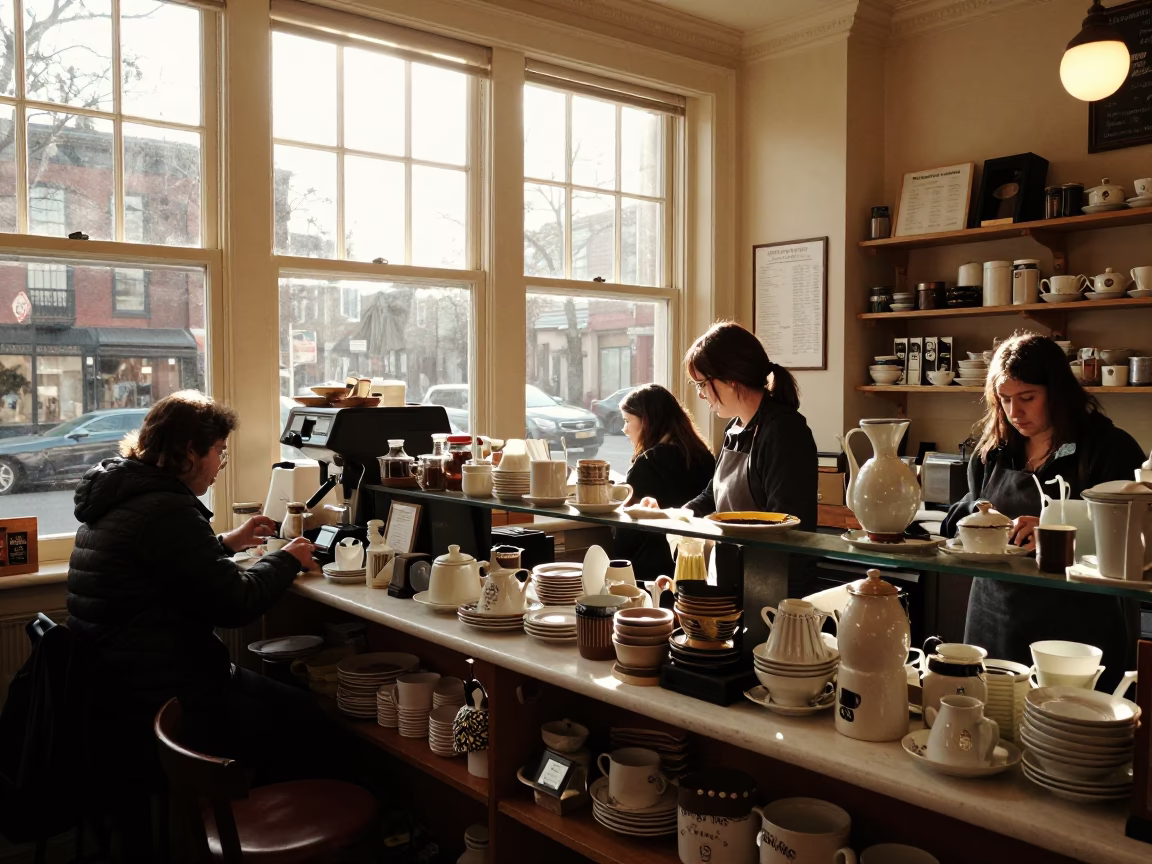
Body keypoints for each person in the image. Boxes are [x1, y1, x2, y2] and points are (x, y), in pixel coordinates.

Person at [67, 391, 336, 796]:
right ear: (190, 451)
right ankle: (262, 830)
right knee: (306, 717)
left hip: (116, 682)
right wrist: (289, 558)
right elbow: (236, 603)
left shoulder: (122, 493)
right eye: (219, 452)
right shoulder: (167, 511)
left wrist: (225, 543)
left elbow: (163, 566)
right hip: (165, 691)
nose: (219, 467)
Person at [940, 334, 1146, 691]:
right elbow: (961, 512)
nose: (1015, 412)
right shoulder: (995, 451)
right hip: (996, 614)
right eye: (1004, 400)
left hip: (1078, 626)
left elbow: (1137, 538)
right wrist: (981, 522)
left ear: (1058, 392)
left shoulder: (1108, 448)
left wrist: (1055, 529)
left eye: (1027, 398)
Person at [678, 321, 819, 528]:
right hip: (734, 558)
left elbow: (789, 523)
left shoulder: (784, 432)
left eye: (702, 384)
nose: (700, 394)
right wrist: (674, 515)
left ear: (730, 378)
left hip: (769, 560)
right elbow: (712, 497)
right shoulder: (735, 428)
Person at [611, 384, 715, 580]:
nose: (624, 429)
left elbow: (626, 540)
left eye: (627, 421)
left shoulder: (648, 464)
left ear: (647, 422)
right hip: (698, 566)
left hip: (651, 572)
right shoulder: (704, 456)